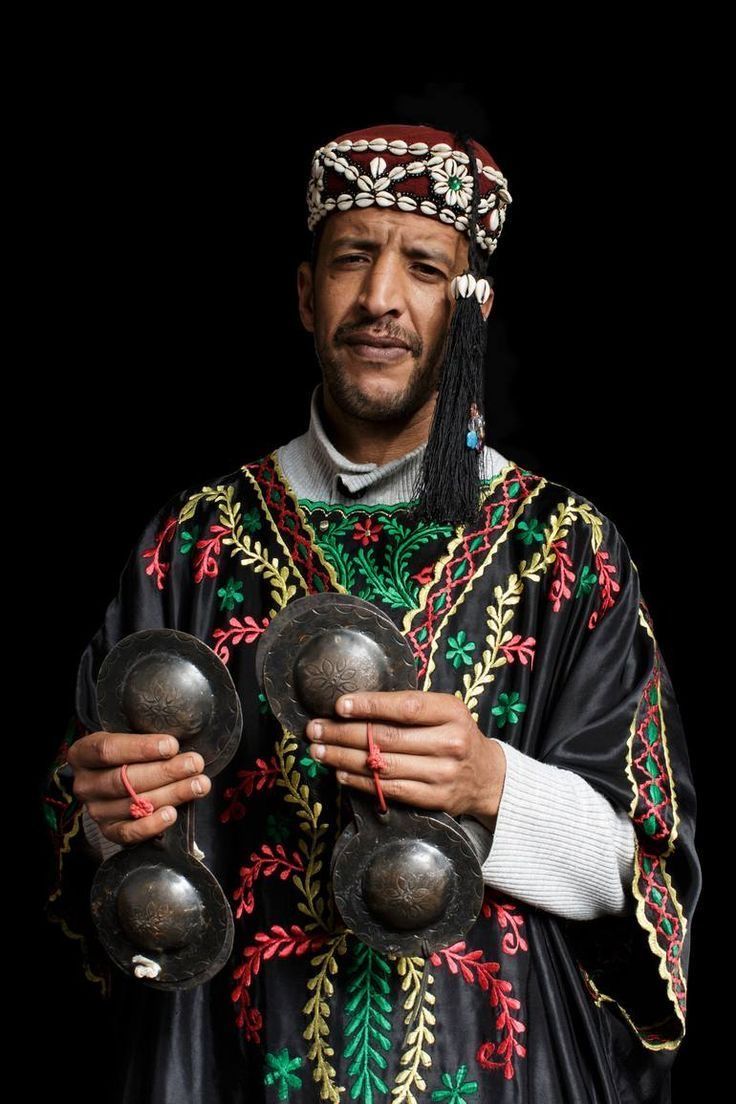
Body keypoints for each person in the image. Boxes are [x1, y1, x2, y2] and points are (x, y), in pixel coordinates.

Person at [43, 122, 701, 1102]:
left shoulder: (566, 547)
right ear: (306, 292)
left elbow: (648, 872)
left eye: (424, 267)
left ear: (470, 309)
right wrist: (102, 819)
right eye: (352, 257)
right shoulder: (189, 543)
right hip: (230, 1067)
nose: (380, 298)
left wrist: (492, 785)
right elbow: (76, 854)